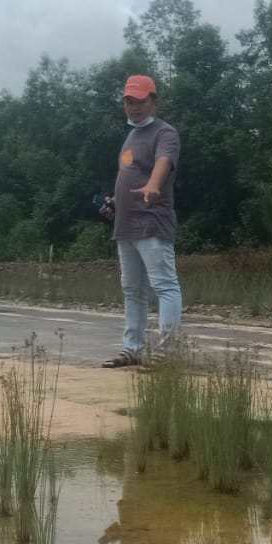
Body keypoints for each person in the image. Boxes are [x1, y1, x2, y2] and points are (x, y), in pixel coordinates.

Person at [101, 74, 182, 368]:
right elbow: (130, 174)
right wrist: (114, 200)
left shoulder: (165, 133)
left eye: (140, 101)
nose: (133, 107)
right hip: (125, 224)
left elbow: (163, 162)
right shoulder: (131, 135)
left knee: (164, 286)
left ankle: (165, 354)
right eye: (129, 101)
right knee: (132, 290)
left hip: (152, 221)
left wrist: (154, 185)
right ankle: (132, 349)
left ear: (153, 101)